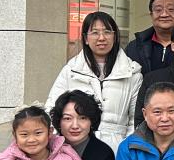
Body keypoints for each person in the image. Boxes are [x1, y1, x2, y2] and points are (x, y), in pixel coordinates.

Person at [46, 11, 142, 152]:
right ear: (86, 38)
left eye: (107, 32)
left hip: (117, 150)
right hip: (74, 149)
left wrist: (127, 150)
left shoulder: (132, 73)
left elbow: (136, 119)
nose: (101, 38)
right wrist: (59, 146)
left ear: (115, 36)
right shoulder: (71, 71)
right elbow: (52, 110)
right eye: (95, 33)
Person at [125, 0, 174, 74]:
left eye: (171, 9)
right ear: (151, 15)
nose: (164, 14)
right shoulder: (134, 47)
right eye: (158, 10)